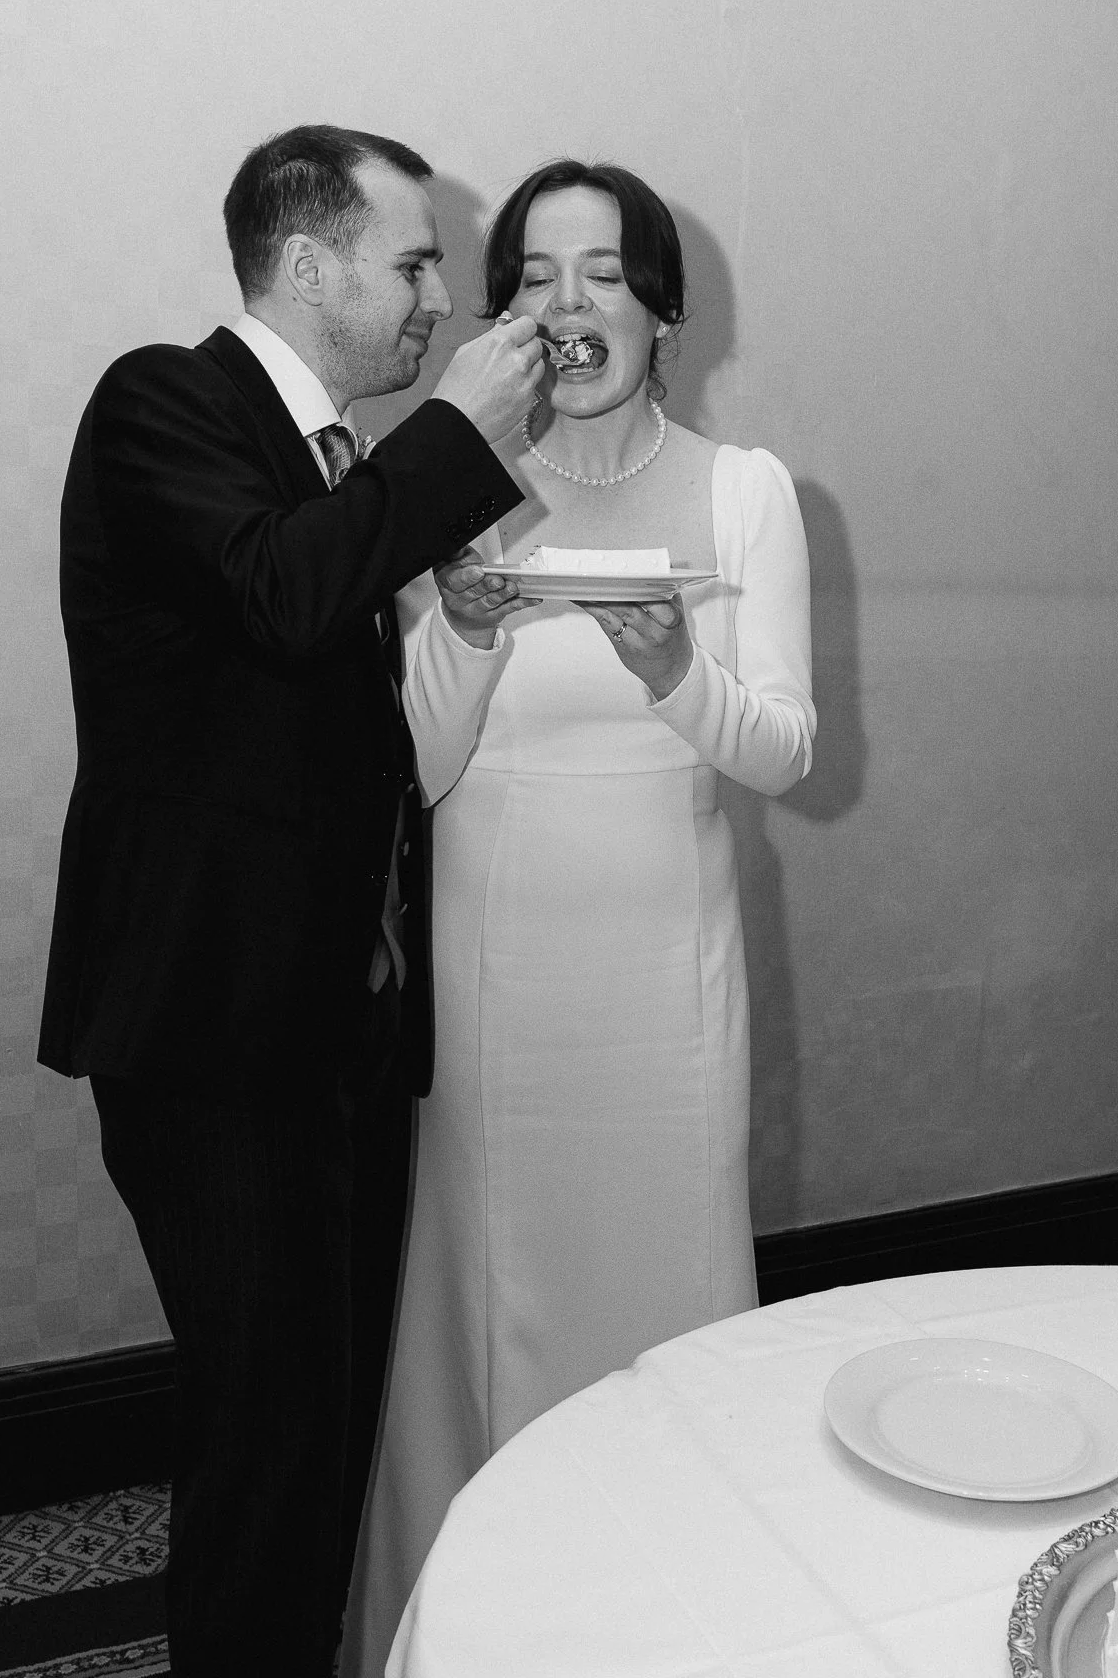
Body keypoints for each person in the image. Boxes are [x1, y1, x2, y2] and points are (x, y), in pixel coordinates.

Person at [37, 126, 545, 1678]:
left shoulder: (337, 473)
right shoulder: (163, 401)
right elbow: (275, 592)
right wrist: (456, 442)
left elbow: (330, 742)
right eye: (410, 262)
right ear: (307, 262)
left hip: (335, 1036)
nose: (438, 302)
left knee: (312, 1441)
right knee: (267, 1450)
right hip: (213, 1037)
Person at [343, 159, 816, 1673]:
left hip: (666, 992)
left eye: (602, 274)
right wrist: (468, 634)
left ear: (661, 311)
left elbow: (787, 753)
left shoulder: (750, 495)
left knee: (663, 1308)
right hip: (497, 991)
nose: (567, 306)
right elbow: (412, 768)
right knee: (493, 1303)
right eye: (535, 279)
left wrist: (676, 667)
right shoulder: (451, 496)